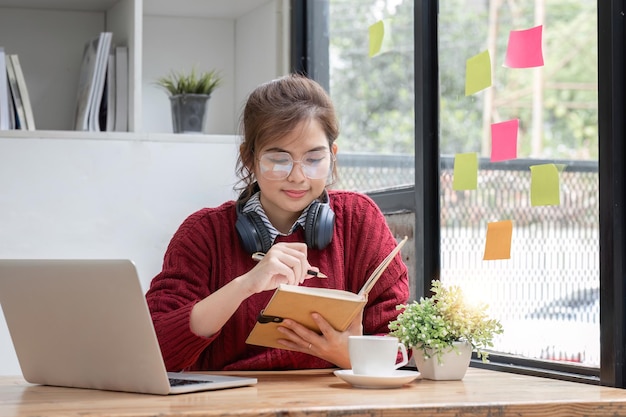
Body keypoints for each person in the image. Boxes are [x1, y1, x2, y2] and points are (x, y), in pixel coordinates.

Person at [145, 73, 410, 371]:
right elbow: (153, 350)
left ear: (332, 155)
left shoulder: (360, 220)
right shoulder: (203, 234)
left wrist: (347, 355)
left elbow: (403, 340)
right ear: (249, 158)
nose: (297, 176)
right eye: (279, 159)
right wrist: (245, 285)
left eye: (313, 159)